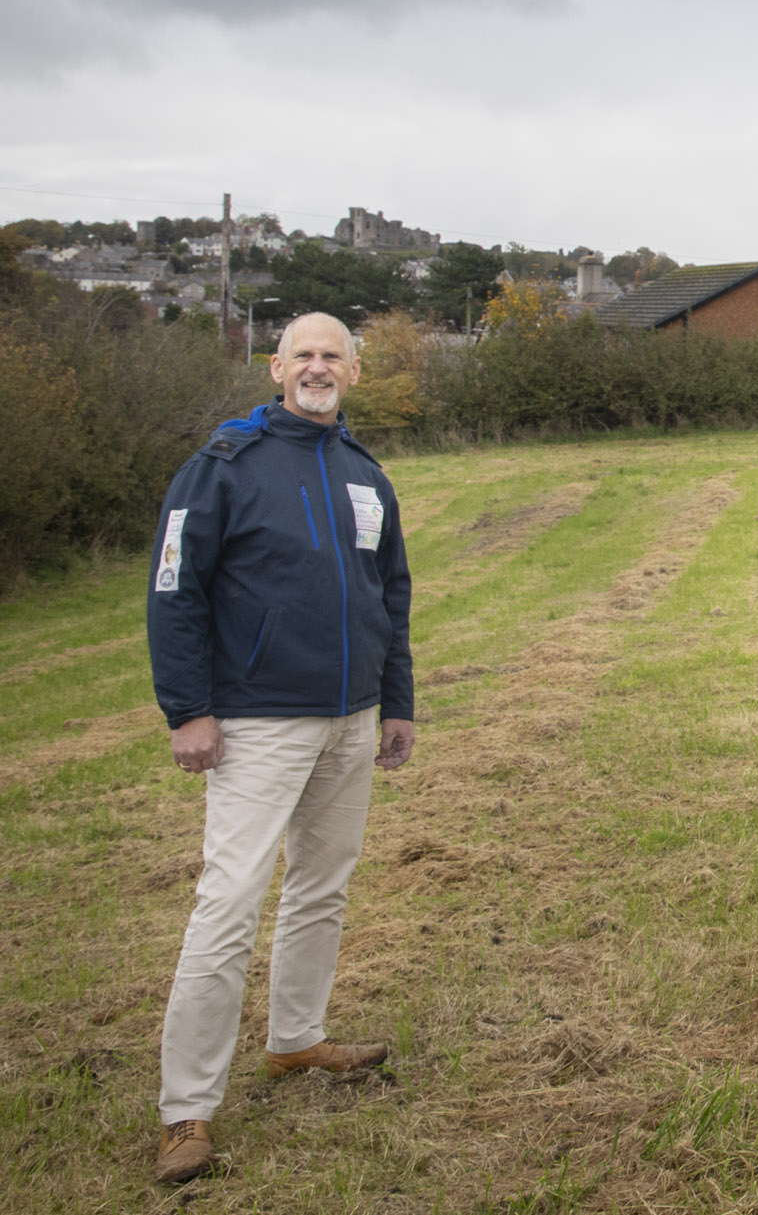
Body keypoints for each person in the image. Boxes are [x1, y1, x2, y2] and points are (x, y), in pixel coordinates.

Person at [146, 312, 416, 1184]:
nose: (316, 365)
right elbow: (175, 586)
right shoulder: (222, 466)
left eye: (332, 353)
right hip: (258, 721)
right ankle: (186, 1108)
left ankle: (296, 1039)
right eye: (302, 353)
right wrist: (189, 708)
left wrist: (396, 703)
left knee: (321, 887)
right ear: (275, 367)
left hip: (350, 717)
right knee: (228, 903)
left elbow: (391, 593)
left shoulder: (364, 474)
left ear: (355, 371)